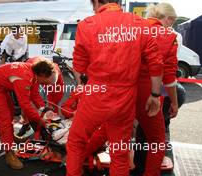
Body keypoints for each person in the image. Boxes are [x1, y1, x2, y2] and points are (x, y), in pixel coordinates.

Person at [66, 0, 163, 175]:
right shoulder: (140, 23)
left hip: (96, 96)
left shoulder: (86, 25)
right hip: (125, 98)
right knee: (119, 153)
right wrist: (155, 95)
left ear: (96, 2)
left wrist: (83, 88)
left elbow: (79, 68)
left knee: (76, 142)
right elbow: (156, 63)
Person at [0, 57, 58, 169]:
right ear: (42, 75)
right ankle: (9, 153)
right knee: (5, 119)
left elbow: (35, 96)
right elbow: (25, 104)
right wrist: (39, 119)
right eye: (45, 83)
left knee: (10, 111)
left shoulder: (35, 74)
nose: (45, 86)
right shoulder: (24, 77)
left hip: (0, 85)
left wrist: (46, 111)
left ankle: (10, 137)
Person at [133, 3, 179, 176]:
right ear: (167, 18)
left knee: (112, 135)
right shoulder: (168, 35)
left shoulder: (132, 28)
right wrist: (174, 103)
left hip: (122, 88)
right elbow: (168, 76)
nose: (171, 26)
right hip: (148, 92)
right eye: (172, 22)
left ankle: (74, 155)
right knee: (158, 142)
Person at [15, 57, 65, 137]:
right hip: (33, 68)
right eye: (44, 84)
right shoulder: (32, 72)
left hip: (50, 79)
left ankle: (52, 129)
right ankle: (26, 123)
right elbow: (29, 98)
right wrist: (39, 117)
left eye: (46, 85)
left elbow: (56, 98)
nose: (44, 86)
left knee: (51, 108)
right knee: (26, 104)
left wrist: (48, 110)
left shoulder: (57, 80)